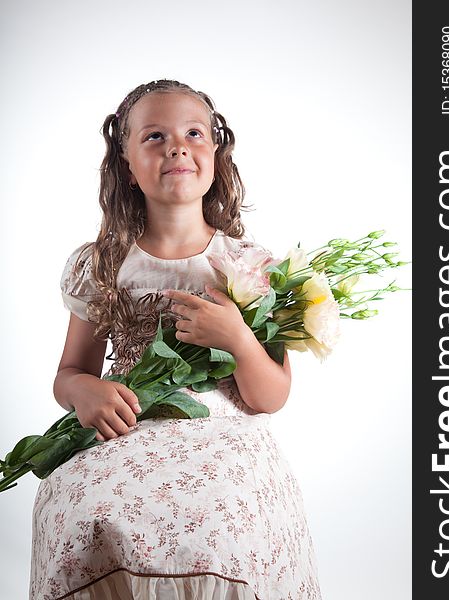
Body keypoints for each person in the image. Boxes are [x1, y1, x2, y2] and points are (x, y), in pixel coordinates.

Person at [29, 79, 322, 599]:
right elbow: (69, 372)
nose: (177, 147)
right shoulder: (101, 265)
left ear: (215, 151)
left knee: (220, 525)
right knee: (79, 508)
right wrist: (84, 391)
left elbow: (270, 396)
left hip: (222, 434)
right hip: (129, 425)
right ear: (126, 164)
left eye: (193, 133)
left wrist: (238, 338)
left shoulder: (248, 266)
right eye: (155, 137)